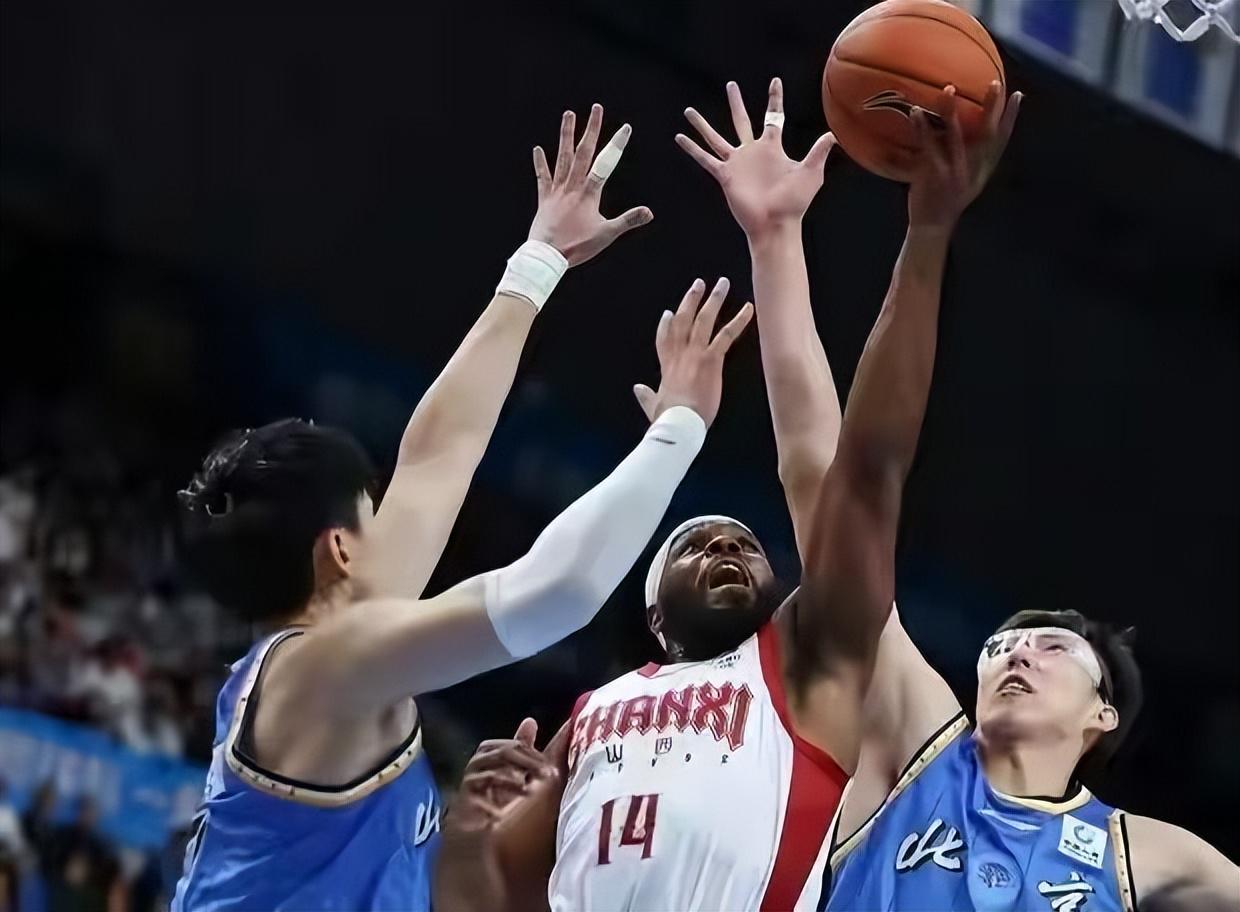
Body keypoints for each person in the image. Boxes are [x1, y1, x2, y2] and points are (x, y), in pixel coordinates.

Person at [439, 77, 1021, 911]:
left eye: (746, 544)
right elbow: (486, 901)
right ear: (653, 617)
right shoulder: (597, 712)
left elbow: (857, 467)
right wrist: (468, 838)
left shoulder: (811, 659)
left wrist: (924, 236)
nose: (725, 546)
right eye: (695, 544)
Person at [170, 104, 754, 911]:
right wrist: (678, 432)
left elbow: (438, 458)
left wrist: (539, 262)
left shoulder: (320, 660)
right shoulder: (322, 668)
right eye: (372, 507)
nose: (394, 513)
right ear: (339, 548)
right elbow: (553, 594)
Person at [823, 617, 1240, 909]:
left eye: (1055, 648)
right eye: (1000, 647)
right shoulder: (917, 749)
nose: (1018, 654)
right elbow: (852, 584)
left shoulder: (1136, 850)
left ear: (1102, 713)